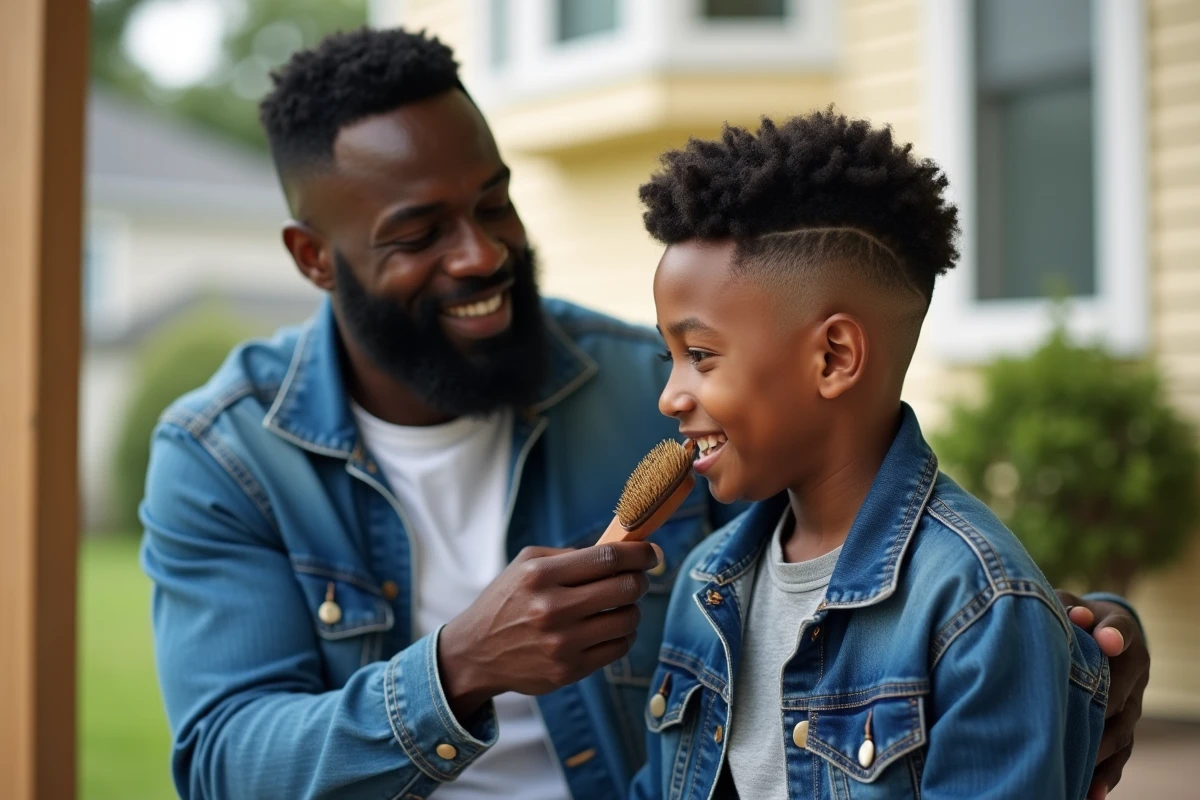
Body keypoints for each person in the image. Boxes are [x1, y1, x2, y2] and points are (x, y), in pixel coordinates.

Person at [140, 27, 1148, 800]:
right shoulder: (223, 456)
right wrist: (457, 669)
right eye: (420, 230)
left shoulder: (638, 388)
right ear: (314, 257)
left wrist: (1071, 650)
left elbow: (880, 542)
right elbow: (226, 758)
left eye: (494, 202)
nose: (483, 252)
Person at [629, 111, 1122, 800]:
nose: (670, 397)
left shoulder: (978, 606)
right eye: (670, 357)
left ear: (834, 357)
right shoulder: (705, 587)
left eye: (700, 356)